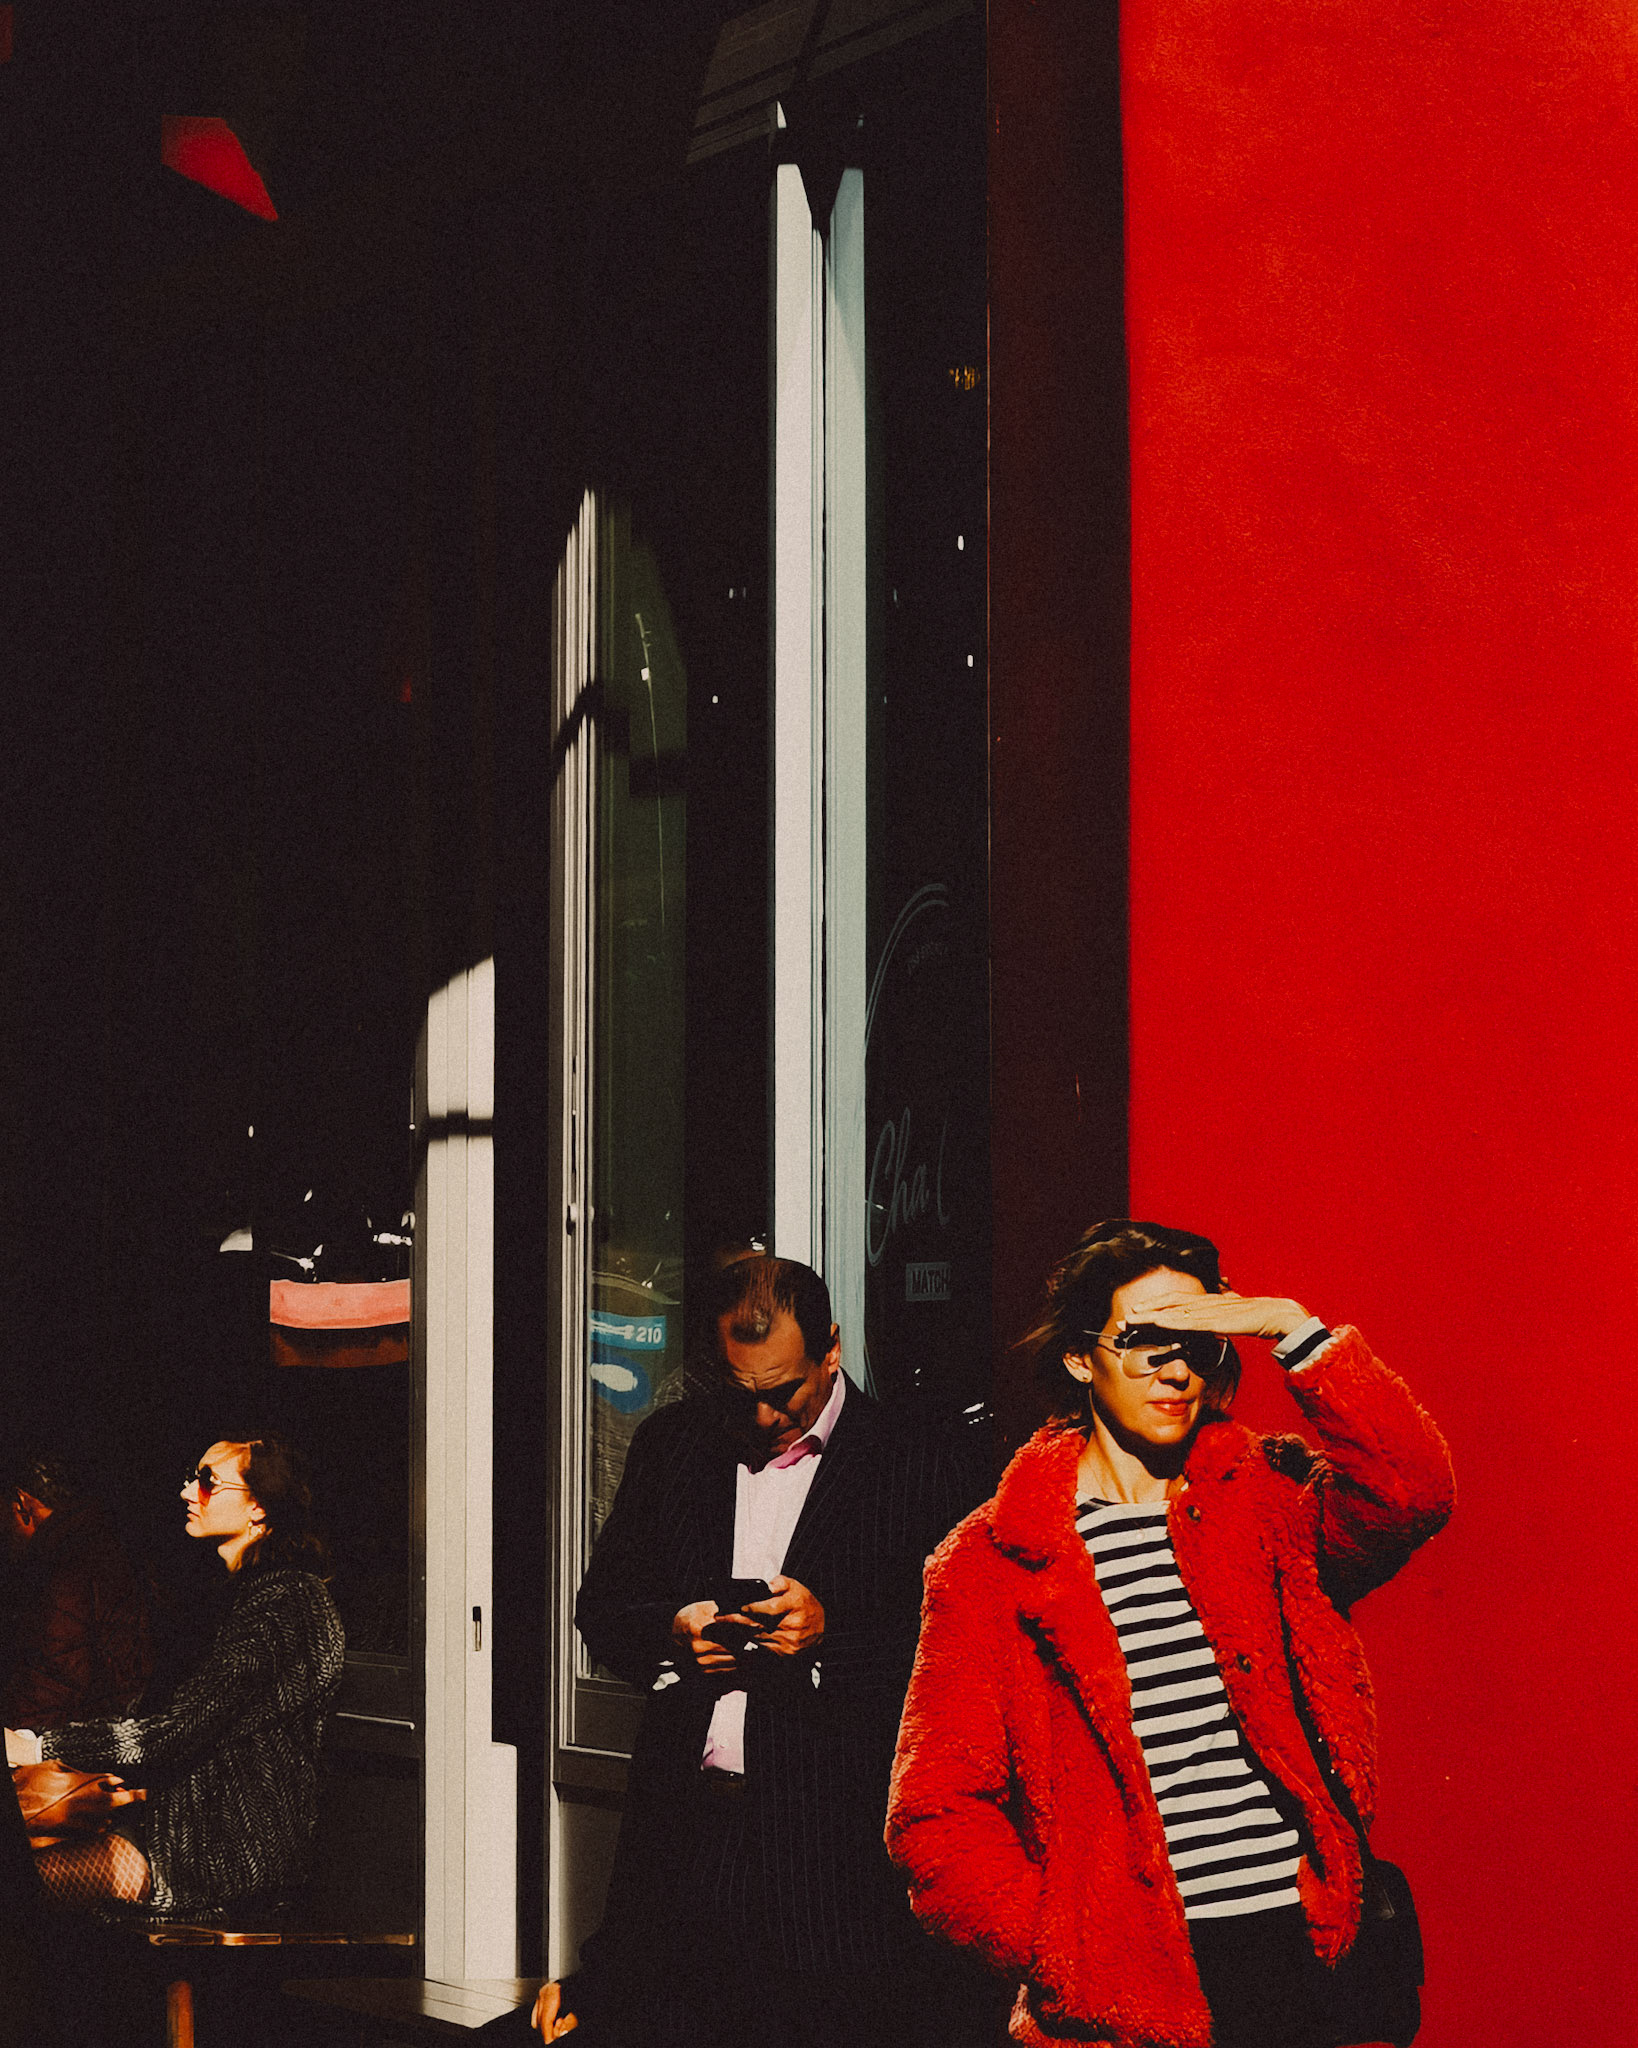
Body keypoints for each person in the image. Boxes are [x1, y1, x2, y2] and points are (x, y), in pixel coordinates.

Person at [885, 1221, 1456, 2048]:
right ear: (1082, 1359)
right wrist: (1071, 1950)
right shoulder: (994, 1560)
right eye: (1145, 1343)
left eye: (1195, 1344)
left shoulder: (1263, 1499)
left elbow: (1411, 1492)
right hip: (1129, 1983)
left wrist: (1295, 1331)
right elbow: (935, 1818)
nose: (1176, 1369)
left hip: (1298, 1953)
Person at [501, 1254, 984, 2048]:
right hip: (689, 1842)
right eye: (740, 1393)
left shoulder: (918, 1459)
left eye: (783, 1392)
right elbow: (605, 1606)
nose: (763, 1419)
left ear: (831, 1348)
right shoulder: (674, 1446)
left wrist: (830, 1644)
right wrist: (674, 1631)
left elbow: (964, 1648)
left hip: (841, 1866)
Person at [4, 1433, 343, 1917]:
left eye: (208, 1482)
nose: (187, 1492)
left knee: (17, 1887)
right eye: (191, 1477)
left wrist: (39, 1747)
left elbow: (175, 1731)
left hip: (220, 1855)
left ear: (259, 1509)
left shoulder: (286, 1606)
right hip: (173, 1830)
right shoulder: (235, 1598)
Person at [0, 1446, 152, 1731]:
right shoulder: (108, 1542)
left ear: (21, 1502)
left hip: (75, 1748)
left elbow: (52, 1684)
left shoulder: (63, 1568)